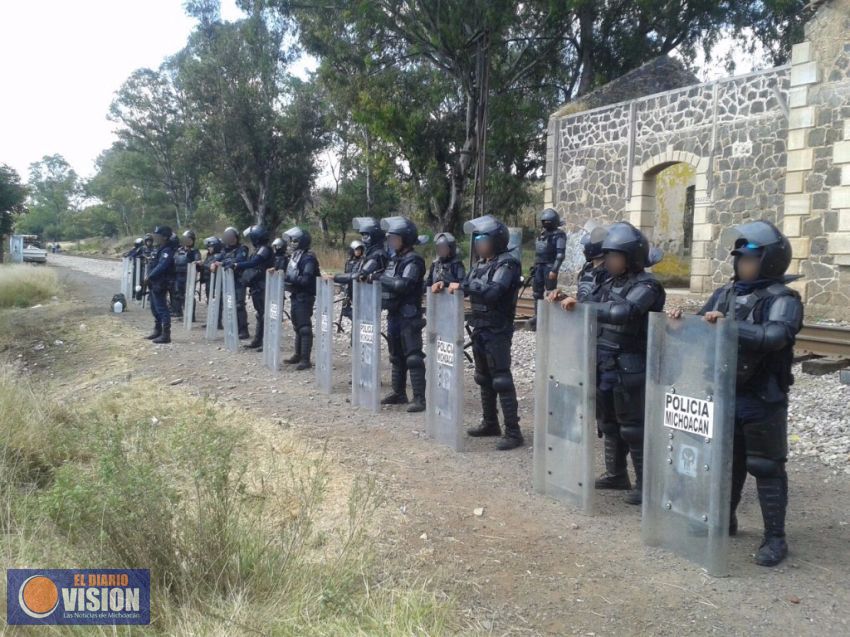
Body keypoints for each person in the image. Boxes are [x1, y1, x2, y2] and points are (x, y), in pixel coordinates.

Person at [668, 220, 802, 567]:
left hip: (762, 397)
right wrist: (681, 323)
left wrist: (728, 326)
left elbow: (774, 337)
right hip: (724, 391)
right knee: (727, 460)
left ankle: (775, 538)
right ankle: (724, 519)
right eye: (740, 259)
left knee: (766, 465)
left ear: (770, 261)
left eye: (750, 260)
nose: (743, 266)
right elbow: (700, 328)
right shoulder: (726, 293)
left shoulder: (784, 299)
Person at [556, 221, 665, 505]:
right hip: (603, 361)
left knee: (632, 426)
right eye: (608, 256)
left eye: (615, 257)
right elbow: (585, 301)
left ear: (631, 258)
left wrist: (581, 306)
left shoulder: (648, 285)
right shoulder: (606, 280)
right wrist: (560, 299)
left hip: (631, 364)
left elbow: (624, 312)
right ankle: (617, 474)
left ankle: (645, 484)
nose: (609, 262)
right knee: (608, 422)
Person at [445, 215, 523, 450]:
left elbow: (493, 292)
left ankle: (513, 431)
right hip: (479, 327)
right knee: (482, 377)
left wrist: (464, 286)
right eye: (476, 239)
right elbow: (465, 285)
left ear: (496, 240)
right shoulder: (479, 264)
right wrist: (444, 283)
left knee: (501, 378)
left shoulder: (507, 263)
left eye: (482, 238)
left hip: (498, 329)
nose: (478, 243)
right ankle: (490, 422)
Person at [379, 216, 427, 412]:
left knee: (413, 356)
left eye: (395, 238)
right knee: (395, 355)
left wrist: (381, 278)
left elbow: (403, 285)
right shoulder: (395, 259)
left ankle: (419, 398)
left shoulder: (414, 260)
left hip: (409, 315)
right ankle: (399, 392)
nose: (392, 242)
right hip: (394, 314)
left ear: (406, 239)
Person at [281, 227, 320, 370]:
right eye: (291, 241)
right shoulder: (296, 256)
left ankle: (305, 359)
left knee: (304, 328)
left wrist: (289, 278)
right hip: (296, 294)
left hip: (305, 296)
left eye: (295, 241)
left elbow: (306, 279)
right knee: (297, 326)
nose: (292, 243)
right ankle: (297, 355)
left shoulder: (308, 258)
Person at [233, 225, 275, 349]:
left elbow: (254, 262)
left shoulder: (264, 249)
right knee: (260, 314)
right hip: (257, 286)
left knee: (265, 315)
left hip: (264, 286)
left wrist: (237, 265)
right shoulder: (259, 249)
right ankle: (258, 340)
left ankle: (266, 342)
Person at [527, 208, 566, 331]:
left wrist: (554, 269)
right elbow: (538, 253)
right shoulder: (542, 234)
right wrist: (534, 266)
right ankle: (537, 316)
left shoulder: (559, 235)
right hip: (539, 266)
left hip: (549, 266)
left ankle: (551, 317)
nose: (545, 223)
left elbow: (560, 254)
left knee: (550, 293)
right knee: (537, 293)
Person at [212, 226, 250, 340]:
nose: (230, 239)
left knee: (239, 305)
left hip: (238, 281)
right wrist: (216, 263)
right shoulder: (225, 249)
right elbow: (216, 259)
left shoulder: (242, 249)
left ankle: (243, 330)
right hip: (227, 282)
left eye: (231, 237)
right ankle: (233, 328)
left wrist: (222, 263)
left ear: (236, 237)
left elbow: (238, 261)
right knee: (229, 305)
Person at [143, 225, 178, 344]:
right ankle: (157, 330)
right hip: (154, 282)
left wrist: (150, 275)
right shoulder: (159, 248)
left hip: (161, 283)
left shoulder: (167, 250)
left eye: (158, 235)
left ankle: (166, 334)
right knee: (154, 308)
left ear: (165, 237)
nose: (155, 237)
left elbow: (162, 266)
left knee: (162, 308)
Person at [171, 230, 201, 319]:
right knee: (177, 294)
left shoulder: (194, 251)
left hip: (189, 275)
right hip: (178, 274)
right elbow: (174, 260)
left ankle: (191, 315)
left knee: (189, 295)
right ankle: (178, 312)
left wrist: (196, 262)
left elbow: (197, 261)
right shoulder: (179, 250)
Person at [577, 225, 609, 301]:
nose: (583, 251)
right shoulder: (587, 268)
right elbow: (581, 297)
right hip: (583, 310)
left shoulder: (608, 272)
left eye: (585, 247)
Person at [340, 240, 365, 322]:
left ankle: (357, 323)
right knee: (345, 310)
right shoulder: (348, 261)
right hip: (348, 288)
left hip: (358, 288)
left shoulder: (362, 261)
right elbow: (345, 274)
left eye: (360, 250)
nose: (358, 251)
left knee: (358, 308)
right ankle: (356, 321)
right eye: (356, 249)